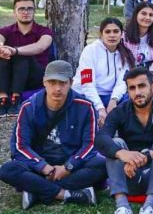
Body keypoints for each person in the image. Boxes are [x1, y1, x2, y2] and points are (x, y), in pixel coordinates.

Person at [0, 60, 105, 209]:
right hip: (38, 165)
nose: (57, 88)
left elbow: (90, 145)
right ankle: (66, 194)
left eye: (62, 83)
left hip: (70, 164)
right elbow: (20, 146)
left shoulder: (85, 106)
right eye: (52, 82)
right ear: (44, 82)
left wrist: (68, 167)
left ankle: (35, 190)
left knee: (102, 164)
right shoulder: (29, 107)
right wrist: (43, 167)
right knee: (8, 170)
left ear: (71, 83)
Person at [96, 67, 153, 214]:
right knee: (115, 143)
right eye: (132, 88)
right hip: (130, 175)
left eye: (142, 86)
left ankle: (149, 207)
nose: (137, 92)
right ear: (128, 91)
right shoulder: (119, 111)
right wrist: (122, 154)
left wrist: (146, 156)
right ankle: (122, 207)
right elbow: (101, 138)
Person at [72, 18, 134, 126]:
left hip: (110, 96)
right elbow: (87, 84)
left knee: (131, 100)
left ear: (121, 34)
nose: (112, 35)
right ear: (101, 34)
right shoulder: (90, 50)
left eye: (116, 31)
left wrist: (114, 100)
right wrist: (100, 108)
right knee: (91, 115)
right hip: (86, 94)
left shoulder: (125, 54)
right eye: (107, 31)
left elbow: (122, 82)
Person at [0, 0, 54, 116]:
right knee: (3, 55)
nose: (26, 12)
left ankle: (16, 99)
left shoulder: (44, 31)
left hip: (35, 76)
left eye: (29, 8)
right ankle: (2, 98)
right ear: (14, 12)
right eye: (21, 9)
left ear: (34, 11)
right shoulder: (6, 31)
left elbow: (41, 46)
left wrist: (15, 50)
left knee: (22, 55)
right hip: (12, 76)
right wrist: (2, 49)